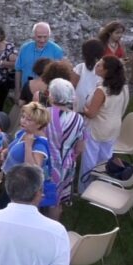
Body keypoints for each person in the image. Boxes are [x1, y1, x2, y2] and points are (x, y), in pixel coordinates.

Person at [79, 56, 129, 191]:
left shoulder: (101, 90)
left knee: (89, 159)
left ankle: (86, 188)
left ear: (107, 71)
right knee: (105, 158)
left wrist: (83, 108)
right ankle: (103, 184)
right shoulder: (123, 87)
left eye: (100, 65)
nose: (97, 66)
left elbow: (91, 114)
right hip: (114, 126)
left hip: (97, 127)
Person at [44, 79, 86, 221]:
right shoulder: (78, 119)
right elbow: (80, 147)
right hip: (65, 165)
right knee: (56, 202)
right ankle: (53, 226)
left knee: (36, 198)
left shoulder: (44, 115)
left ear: (52, 96)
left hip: (43, 163)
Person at [0, 103, 53, 209]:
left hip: (21, 190)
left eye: (28, 120)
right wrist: (6, 151)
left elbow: (33, 170)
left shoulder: (39, 144)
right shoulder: (24, 133)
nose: (23, 121)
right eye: (23, 117)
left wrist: (28, 146)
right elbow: (15, 145)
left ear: (39, 124)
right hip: (11, 181)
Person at [14, 22, 65, 94]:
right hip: (26, 91)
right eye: (39, 37)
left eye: (45, 37)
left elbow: (59, 76)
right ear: (34, 35)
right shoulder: (25, 48)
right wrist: (17, 91)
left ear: (49, 35)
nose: (42, 40)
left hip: (45, 93)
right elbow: (18, 70)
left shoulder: (56, 51)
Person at [72, 39, 105, 113]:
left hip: (79, 105)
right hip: (94, 106)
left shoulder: (80, 67)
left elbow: (72, 85)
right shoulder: (104, 69)